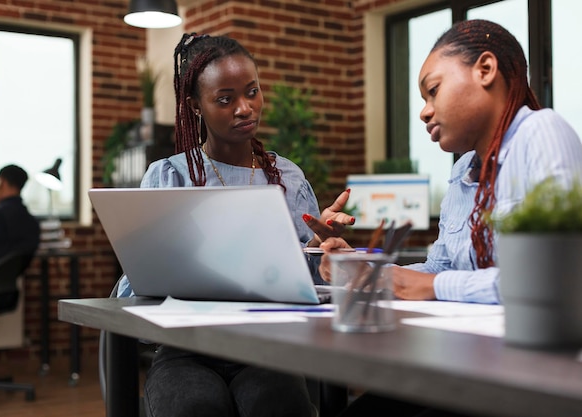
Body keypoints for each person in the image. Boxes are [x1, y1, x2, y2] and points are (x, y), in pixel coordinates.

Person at [305, 18, 582, 417]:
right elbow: (438, 268)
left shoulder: (541, 132)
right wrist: (368, 268)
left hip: (529, 375)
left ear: (485, 70)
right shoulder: (464, 171)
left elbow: (551, 282)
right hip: (468, 361)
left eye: (433, 90)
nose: (423, 111)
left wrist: (426, 285)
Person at [115, 33, 354, 417]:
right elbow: (134, 294)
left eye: (252, 92)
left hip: (264, 349)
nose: (245, 108)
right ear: (196, 106)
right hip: (185, 351)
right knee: (195, 407)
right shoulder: (169, 176)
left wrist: (318, 248)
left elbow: (311, 292)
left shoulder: (287, 178)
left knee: (279, 407)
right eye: (225, 99)